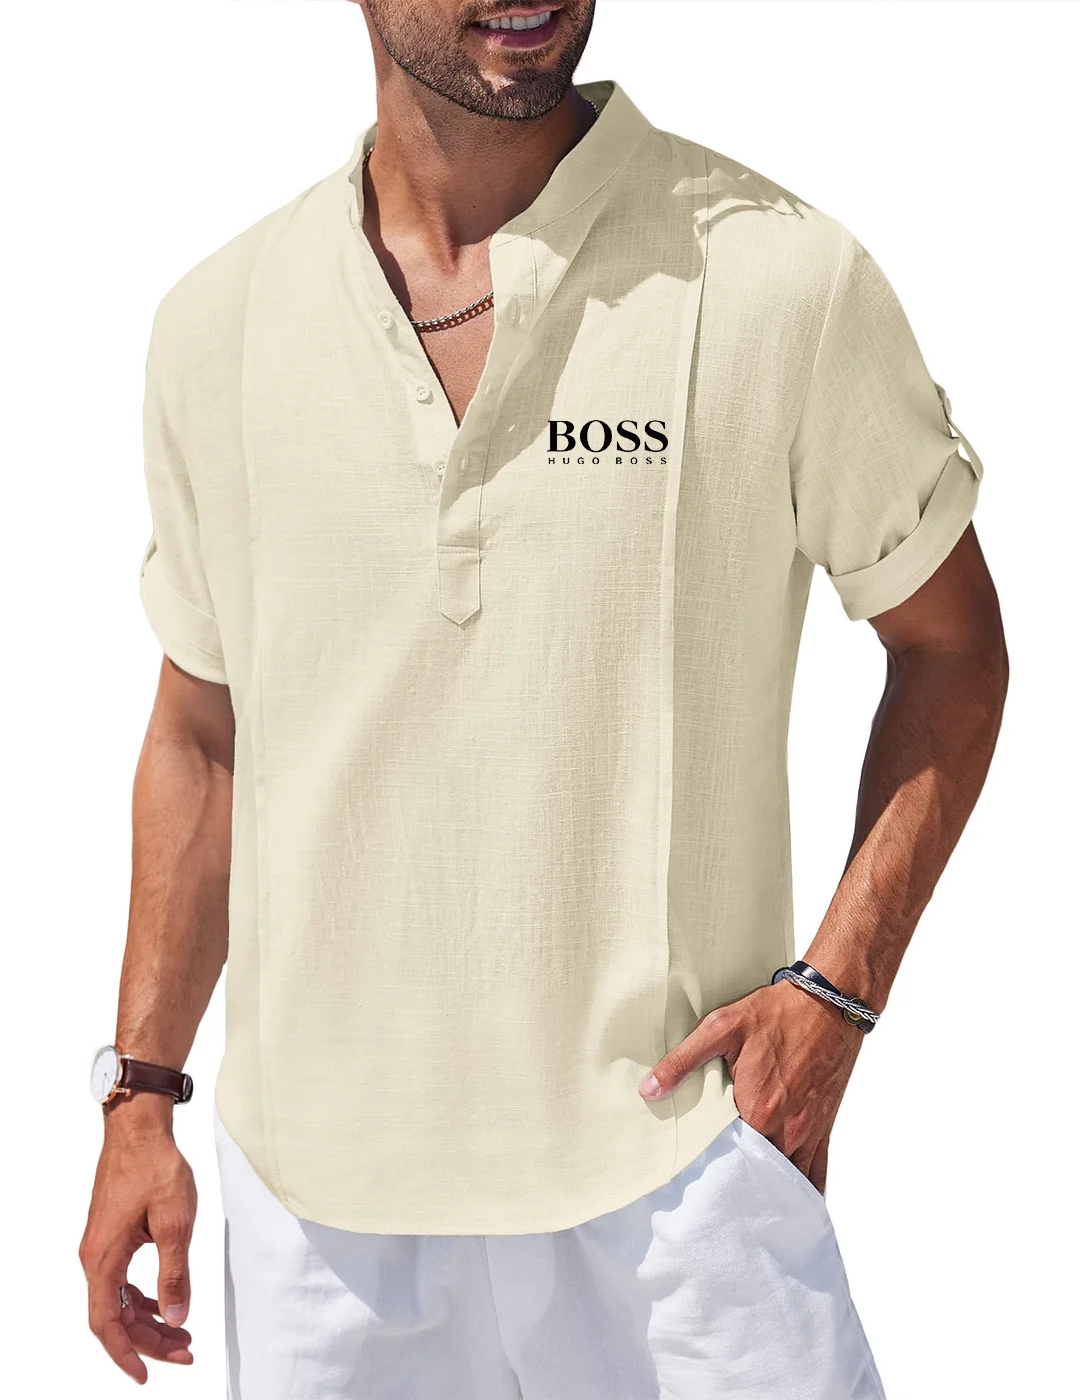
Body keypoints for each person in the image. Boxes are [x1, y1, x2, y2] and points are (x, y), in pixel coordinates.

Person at [79, 2, 1008, 1396]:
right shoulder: (220, 325)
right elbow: (204, 736)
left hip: (683, 1175)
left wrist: (837, 996)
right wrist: (138, 1099)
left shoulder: (778, 279)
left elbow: (950, 647)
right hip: (320, 1218)